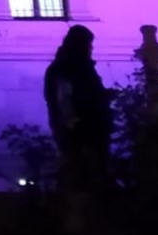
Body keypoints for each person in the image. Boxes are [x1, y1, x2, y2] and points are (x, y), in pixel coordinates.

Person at [43, 24, 111, 187]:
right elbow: (66, 98)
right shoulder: (72, 68)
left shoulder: (68, 67)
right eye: (89, 44)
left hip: (85, 129)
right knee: (85, 177)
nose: (91, 48)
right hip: (83, 130)